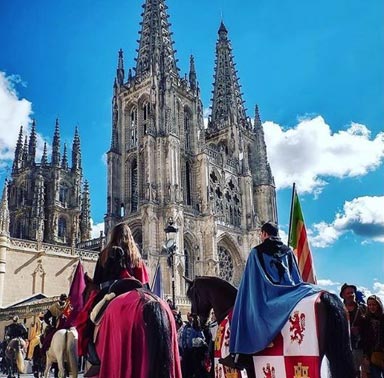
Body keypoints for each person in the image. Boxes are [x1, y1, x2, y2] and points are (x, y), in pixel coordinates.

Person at [222, 222, 320, 369]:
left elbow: (250, 283)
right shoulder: (288, 252)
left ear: (264, 234)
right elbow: (296, 278)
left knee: (242, 313)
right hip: (289, 293)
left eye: (261, 234)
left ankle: (238, 355)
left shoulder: (256, 252)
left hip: (268, 297)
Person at [81, 222, 150, 377]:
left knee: (89, 321)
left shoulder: (105, 253)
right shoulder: (136, 256)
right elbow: (144, 282)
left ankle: (95, 359)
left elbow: (97, 281)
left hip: (109, 292)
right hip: (135, 291)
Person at [340, 283, 367, 377]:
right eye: (348, 293)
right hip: (343, 347)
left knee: (358, 372)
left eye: (352, 292)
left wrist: (359, 330)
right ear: (343, 295)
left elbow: (369, 327)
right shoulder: (339, 309)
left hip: (360, 347)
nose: (351, 295)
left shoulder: (363, 309)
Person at [361, 295, 384, 378]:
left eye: (374, 305)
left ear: (378, 305)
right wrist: (365, 355)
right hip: (372, 355)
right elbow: (364, 338)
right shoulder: (365, 320)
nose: (371, 307)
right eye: (369, 305)